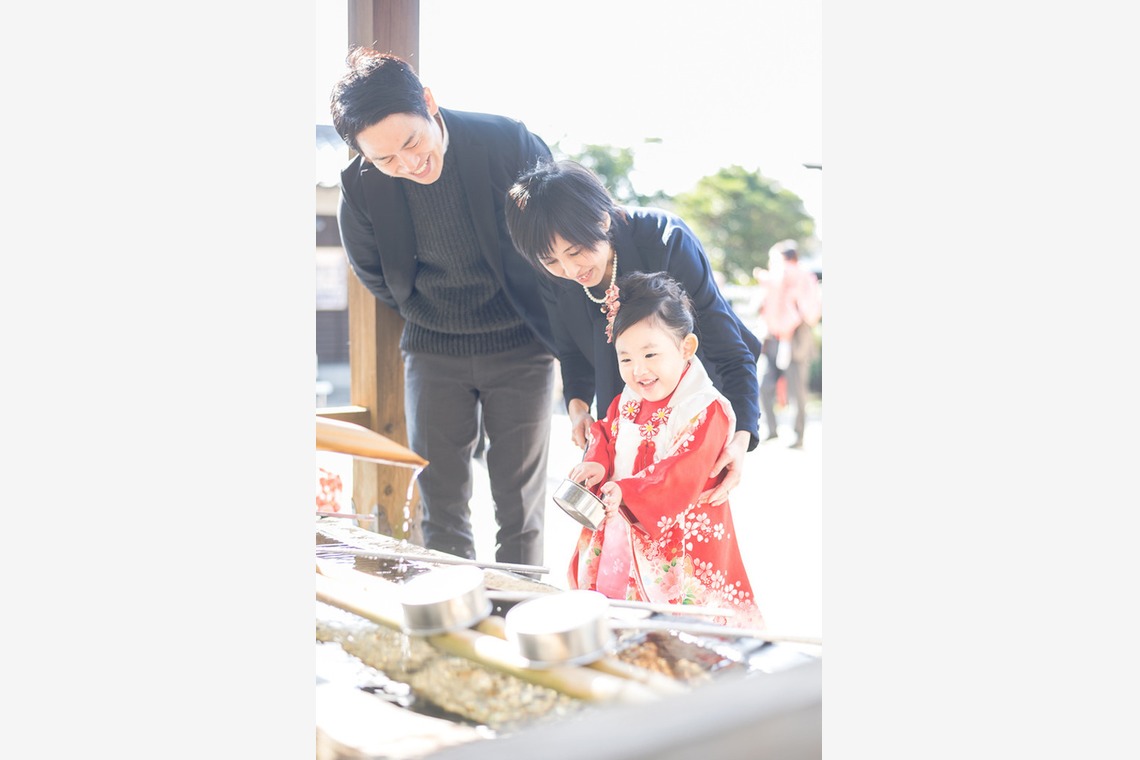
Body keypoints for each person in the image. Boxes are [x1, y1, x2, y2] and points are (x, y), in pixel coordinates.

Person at [329, 47, 557, 566]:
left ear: (429, 102)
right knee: (441, 500)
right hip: (433, 351)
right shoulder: (359, 186)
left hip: (520, 345)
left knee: (520, 506)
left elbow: (560, 239)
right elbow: (375, 275)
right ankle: (457, 627)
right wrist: (426, 311)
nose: (409, 164)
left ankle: (516, 619)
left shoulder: (508, 143)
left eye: (412, 142)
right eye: (385, 159)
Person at [504, 160, 762, 506]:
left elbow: (730, 351)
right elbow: (571, 351)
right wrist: (579, 409)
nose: (569, 270)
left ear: (602, 220)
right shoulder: (555, 274)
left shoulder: (667, 241)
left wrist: (740, 439)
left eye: (576, 252)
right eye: (550, 261)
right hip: (623, 423)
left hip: (689, 423)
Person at [563, 272, 764, 626]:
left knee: (687, 627)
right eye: (625, 359)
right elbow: (607, 434)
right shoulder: (629, 397)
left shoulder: (704, 408)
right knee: (619, 615)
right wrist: (597, 463)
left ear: (686, 348)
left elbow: (682, 473)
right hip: (624, 520)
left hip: (681, 536)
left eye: (650, 354)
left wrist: (625, 490)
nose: (638, 370)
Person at [755, 239, 822, 449]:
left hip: (796, 336)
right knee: (765, 385)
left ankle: (798, 435)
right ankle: (772, 429)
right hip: (774, 335)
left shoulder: (803, 277)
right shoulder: (774, 277)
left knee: (796, 389)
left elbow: (810, 312)